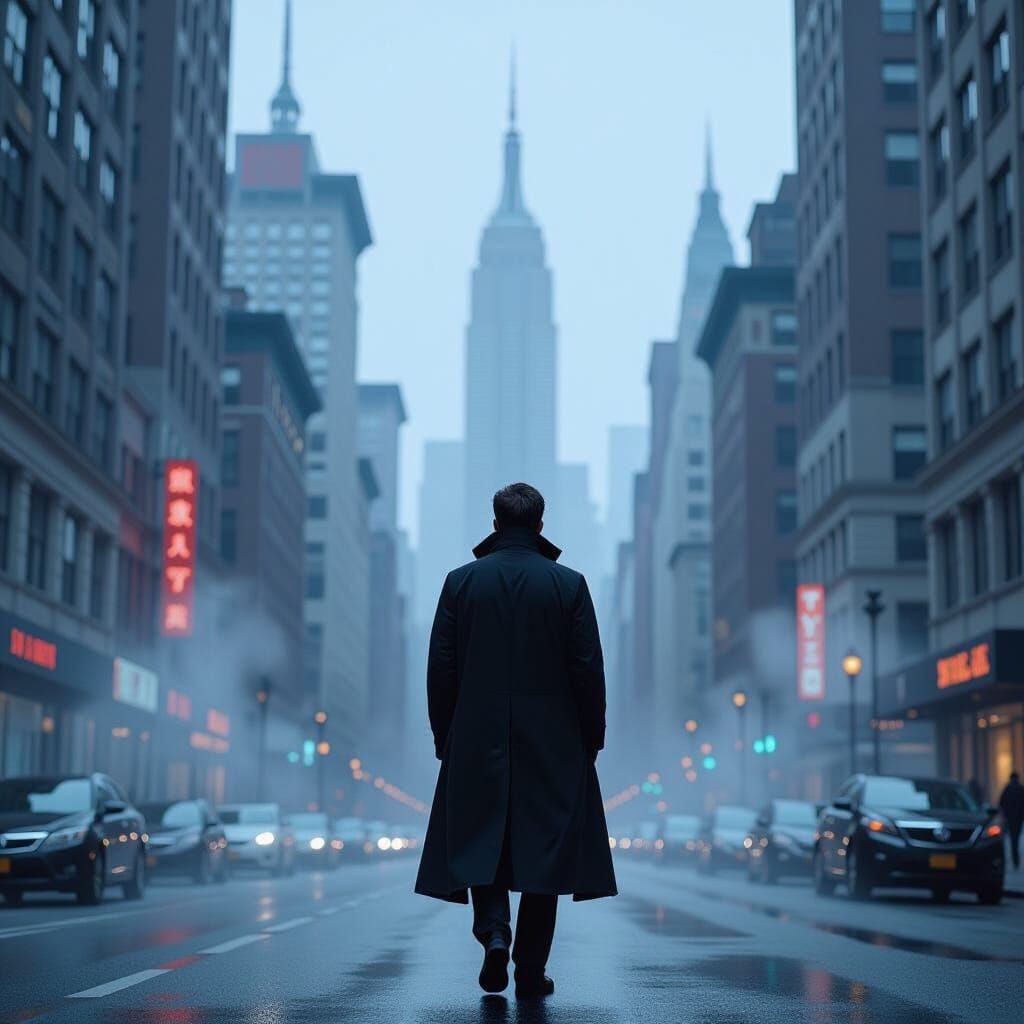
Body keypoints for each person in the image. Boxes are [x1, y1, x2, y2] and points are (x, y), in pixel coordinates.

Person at [415, 482, 617, 999]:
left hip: (476, 739)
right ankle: (529, 968)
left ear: (496, 522)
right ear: (541, 525)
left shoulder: (460, 583)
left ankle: (495, 933)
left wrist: (447, 737)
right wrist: (590, 739)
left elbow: (441, 669)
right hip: (553, 744)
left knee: (484, 840)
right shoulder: (568, 585)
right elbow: (587, 670)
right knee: (542, 854)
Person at [998, 771, 1024, 871]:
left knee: (1013, 840)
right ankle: (1015, 860)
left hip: (1010, 819)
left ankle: (1014, 859)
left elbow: (1001, 803)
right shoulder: (1021, 789)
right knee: (1015, 840)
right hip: (1018, 819)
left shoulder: (1008, 789)